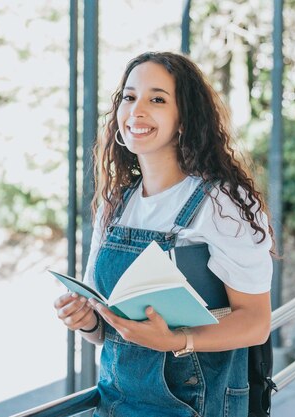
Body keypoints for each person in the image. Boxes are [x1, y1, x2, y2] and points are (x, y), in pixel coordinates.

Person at [53, 51, 274, 417]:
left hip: (197, 407)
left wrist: (179, 340)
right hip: (115, 405)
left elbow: (256, 321)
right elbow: (108, 331)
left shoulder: (223, 204)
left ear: (184, 118)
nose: (137, 110)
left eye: (157, 99)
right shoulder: (116, 205)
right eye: (129, 97)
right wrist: (87, 321)